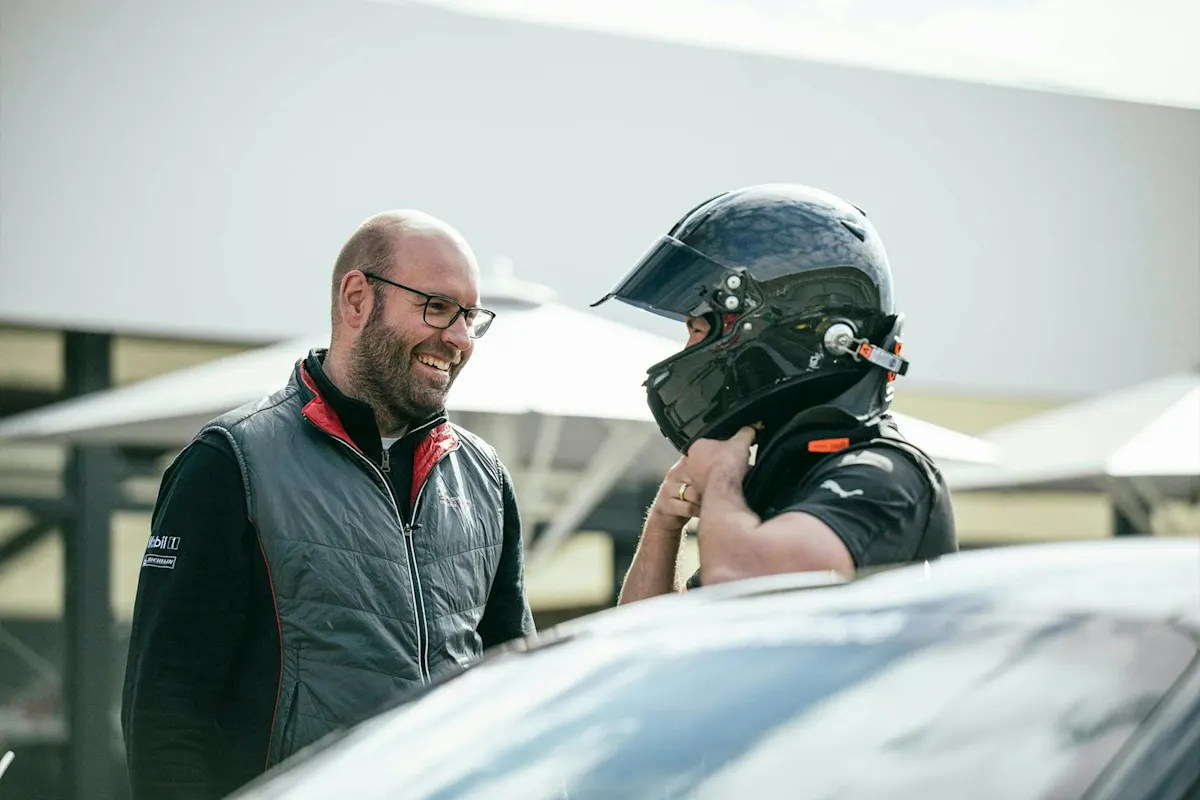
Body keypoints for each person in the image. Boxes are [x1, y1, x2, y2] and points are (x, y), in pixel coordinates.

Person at [120, 210, 535, 799]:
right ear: (357, 298)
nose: (460, 338)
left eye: (470, 317)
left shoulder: (485, 479)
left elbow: (513, 693)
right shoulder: (230, 461)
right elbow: (165, 710)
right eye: (437, 308)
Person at [591, 184, 958, 601]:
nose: (688, 352)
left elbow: (743, 582)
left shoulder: (883, 475)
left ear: (775, 331)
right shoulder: (775, 476)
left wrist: (719, 479)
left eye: (697, 329)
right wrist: (664, 522)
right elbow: (643, 640)